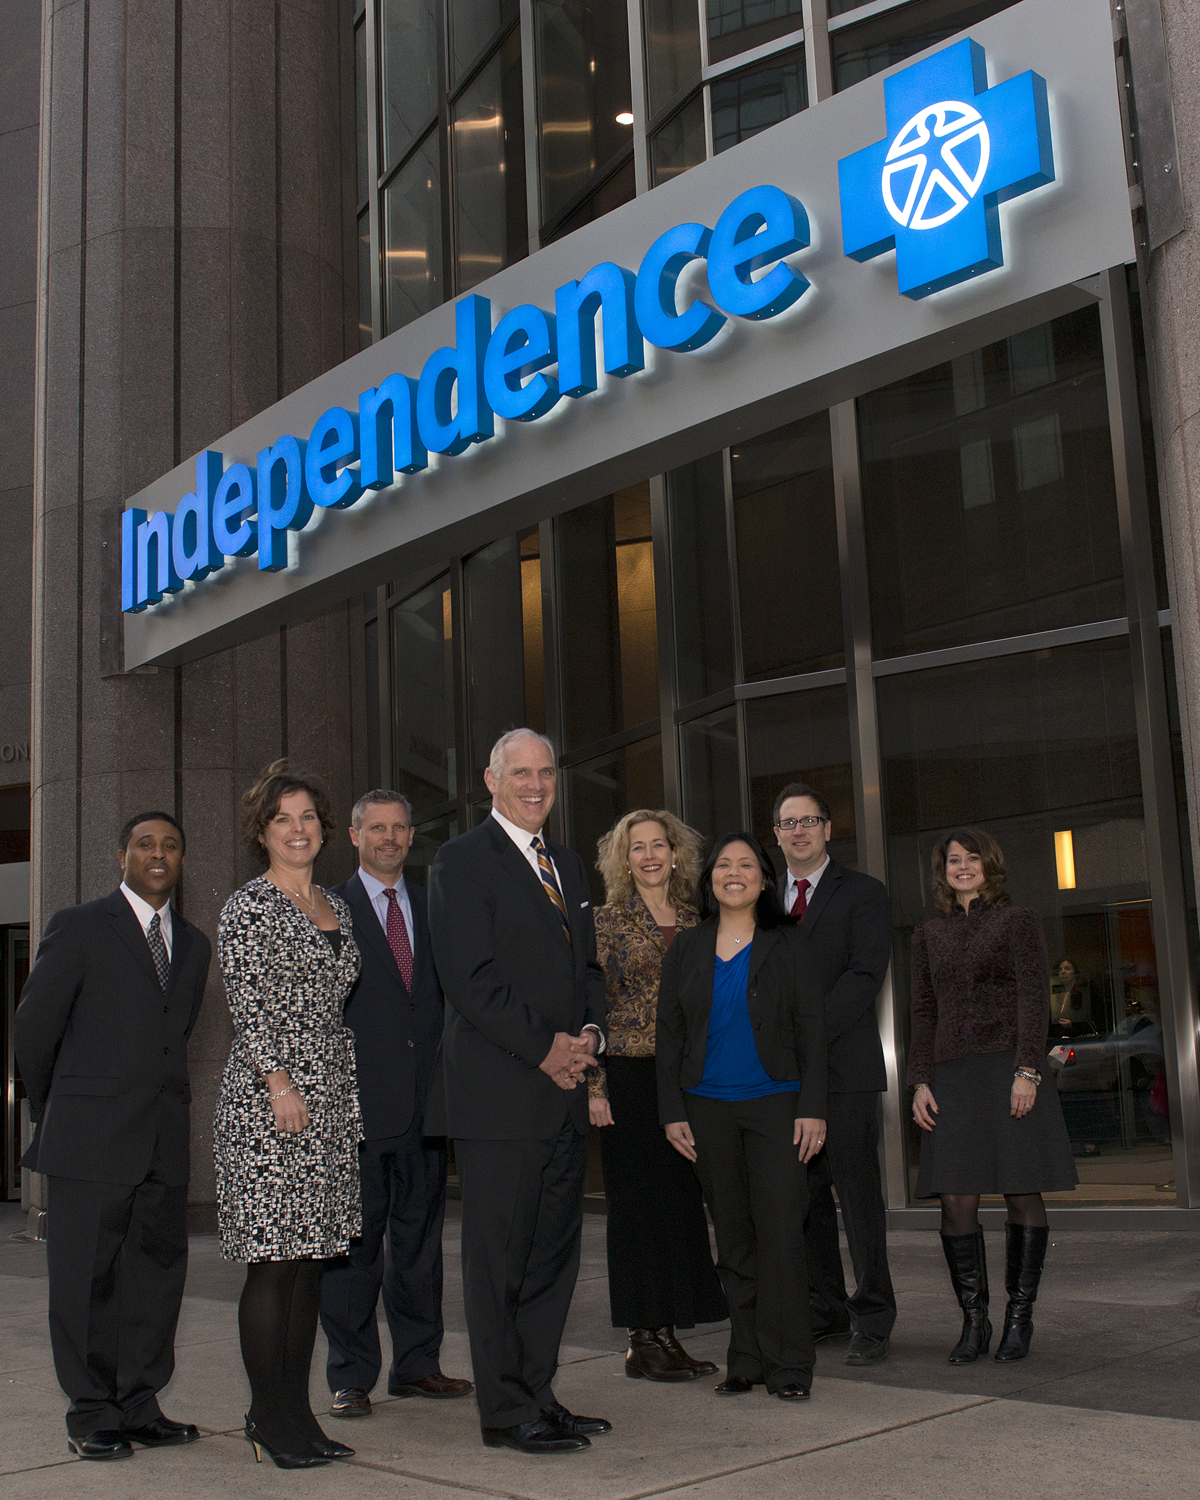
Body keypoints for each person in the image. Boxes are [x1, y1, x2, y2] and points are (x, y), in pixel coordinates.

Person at [427, 728, 609, 1455]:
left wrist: (589, 1036)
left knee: (552, 1257)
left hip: (564, 1094)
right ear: (491, 780)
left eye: (546, 773)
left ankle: (538, 1391)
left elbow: (588, 972)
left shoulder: (566, 862)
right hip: (501, 1097)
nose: (536, 785)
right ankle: (503, 1411)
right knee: (498, 1259)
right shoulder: (460, 861)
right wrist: (547, 1049)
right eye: (521, 773)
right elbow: (470, 980)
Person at [14, 811, 211, 1461]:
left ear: (183, 859)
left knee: (155, 1277)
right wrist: (60, 1111)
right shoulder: (77, 928)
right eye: (145, 844)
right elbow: (33, 1032)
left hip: (161, 1140)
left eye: (171, 846)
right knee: (84, 1280)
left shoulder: (193, 942)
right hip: (89, 1138)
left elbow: (168, 1039)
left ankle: (138, 1401)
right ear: (120, 854)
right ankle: (92, 1409)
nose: (159, 855)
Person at [213, 761, 363, 1469]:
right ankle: (268, 1418)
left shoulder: (336, 901)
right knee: (274, 1263)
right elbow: (249, 1003)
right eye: (283, 819)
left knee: (309, 1266)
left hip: (330, 1099)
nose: (298, 829)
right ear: (263, 832)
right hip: (271, 1104)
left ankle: (297, 1415)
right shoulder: (249, 907)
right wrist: (279, 1083)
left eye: (307, 817)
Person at [657, 831, 828, 1402]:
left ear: (764, 876)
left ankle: (789, 1365)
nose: (735, 873)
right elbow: (670, 1037)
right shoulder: (686, 947)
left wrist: (814, 1108)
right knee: (732, 1239)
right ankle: (745, 1358)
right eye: (723, 865)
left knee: (780, 1232)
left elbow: (812, 1031)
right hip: (706, 1110)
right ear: (709, 879)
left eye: (746, 864)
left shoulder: (790, 941)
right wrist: (672, 1111)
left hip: (777, 1105)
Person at [321, 790, 472, 1417]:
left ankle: (418, 1365)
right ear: (354, 836)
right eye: (376, 828)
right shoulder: (329, 908)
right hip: (358, 1109)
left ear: (412, 836)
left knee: (420, 1245)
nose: (389, 837)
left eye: (400, 828)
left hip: (427, 1107)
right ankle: (351, 1376)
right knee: (356, 1249)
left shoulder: (437, 905)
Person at [910, 828, 1077, 1364]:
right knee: (956, 1198)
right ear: (943, 872)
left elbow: (1034, 997)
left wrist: (1028, 1068)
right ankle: (975, 1322)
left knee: (1021, 1189)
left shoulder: (1017, 920)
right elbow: (923, 1012)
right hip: (950, 1076)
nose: (962, 867)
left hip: (1009, 1068)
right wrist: (919, 1081)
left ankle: (1019, 1319)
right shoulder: (927, 934)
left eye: (972, 859)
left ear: (990, 865)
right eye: (953, 860)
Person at [590, 810, 726, 1381]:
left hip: (690, 1079)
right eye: (635, 847)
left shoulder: (702, 919)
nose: (648, 855)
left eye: (657, 845)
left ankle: (668, 1331)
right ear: (623, 860)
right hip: (627, 1076)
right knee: (636, 1208)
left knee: (679, 1206)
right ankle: (642, 1338)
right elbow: (589, 1009)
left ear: (676, 853)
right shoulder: (605, 922)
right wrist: (594, 1086)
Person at [772, 782, 895, 1365]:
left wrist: (805, 1036)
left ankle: (873, 1315)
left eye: (809, 821)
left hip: (844, 1071)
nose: (799, 831)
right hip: (781, 1079)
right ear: (777, 835)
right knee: (805, 1197)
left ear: (827, 830)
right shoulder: (762, 899)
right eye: (788, 823)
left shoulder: (864, 894)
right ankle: (825, 1310)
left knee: (858, 1195)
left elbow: (864, 978)